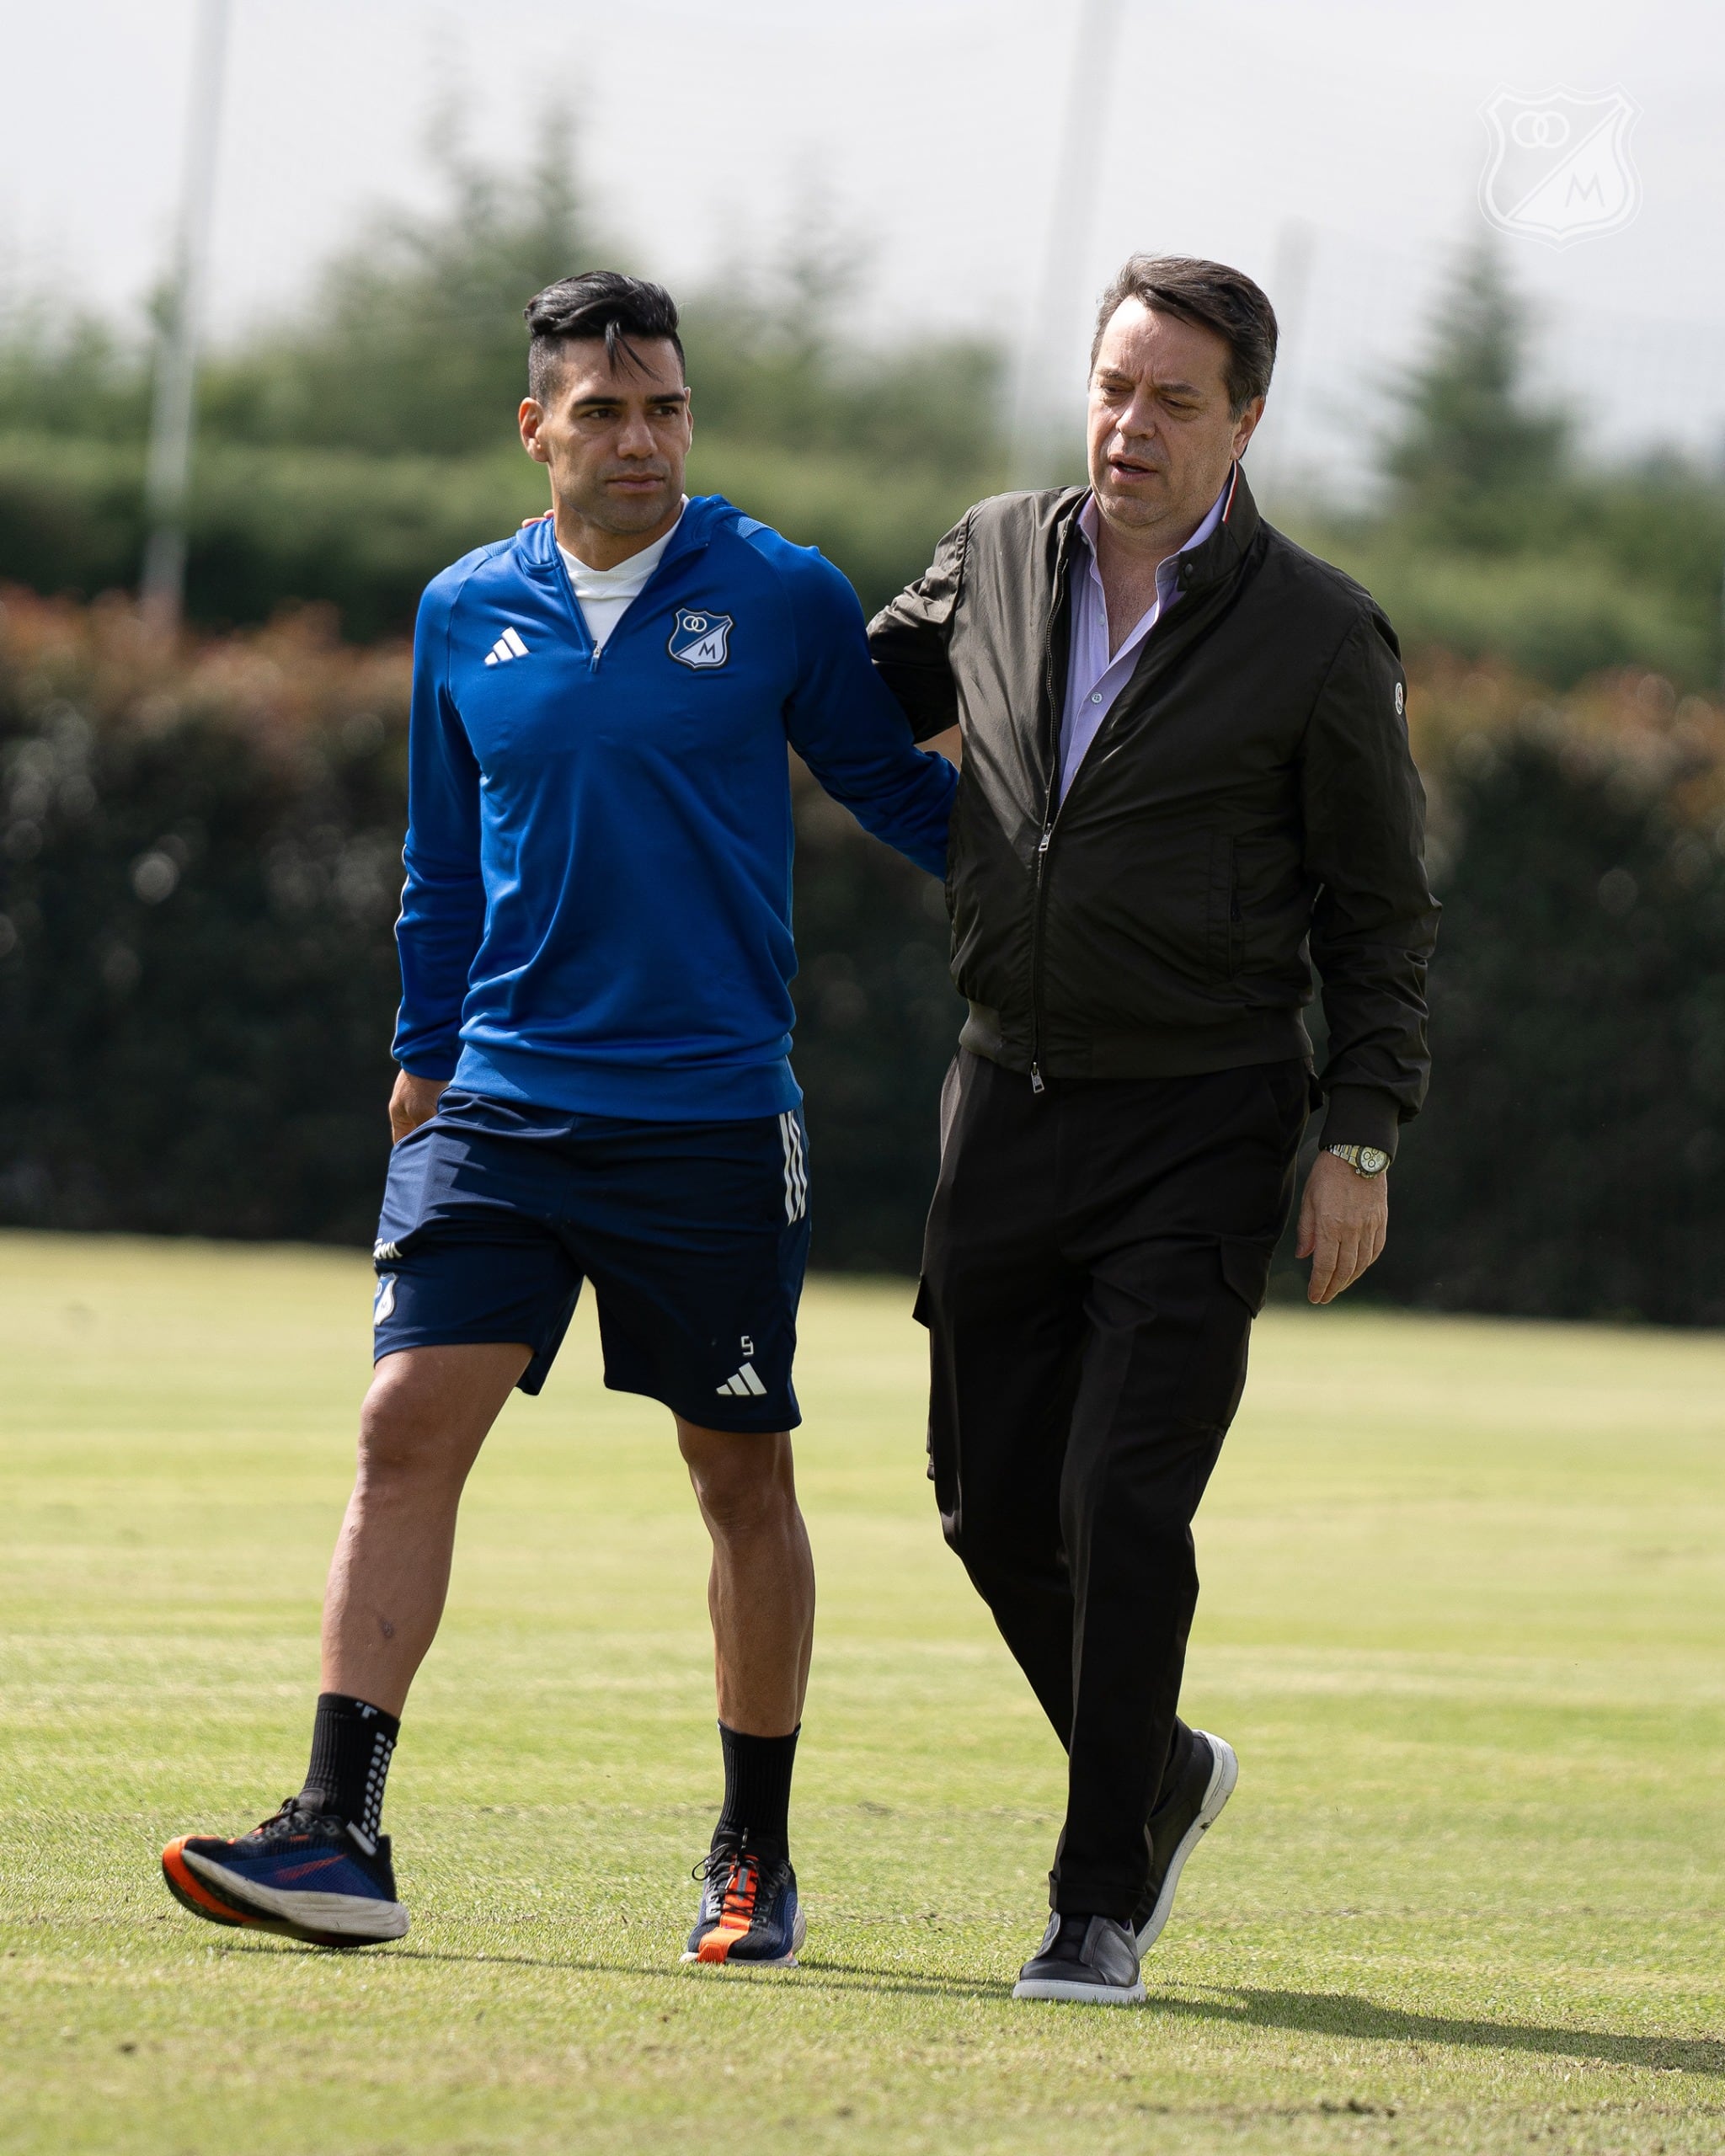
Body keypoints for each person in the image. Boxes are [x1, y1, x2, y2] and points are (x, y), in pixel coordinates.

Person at [161, 270, 956, 1967]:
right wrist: (421, 1049)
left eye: (663, 406)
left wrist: (1083, 890)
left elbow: (900, 791)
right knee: (399, 1426)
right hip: (500, 1105)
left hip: (709, 1118)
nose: (639, 437)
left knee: (737, 1471)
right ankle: (340, 1832)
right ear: (538, 430)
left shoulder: (784, 595)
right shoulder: (463, 610)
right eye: (602, 411)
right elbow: (442, 861)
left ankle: (753, 1852)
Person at [869, 254, 1439, 2004]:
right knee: (984, 1505)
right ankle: (1163, 1765)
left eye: (1172, 399)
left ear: (1244, 420)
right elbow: (841, 698)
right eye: (1113, 387)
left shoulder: (1317, 632)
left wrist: (1360, 1132)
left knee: (1123, 1499)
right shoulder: (989, 550)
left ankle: (1094, 1891)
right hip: (1004, 1093)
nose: (1128, 425)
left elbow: (1381, 913)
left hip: (1201, 1114)